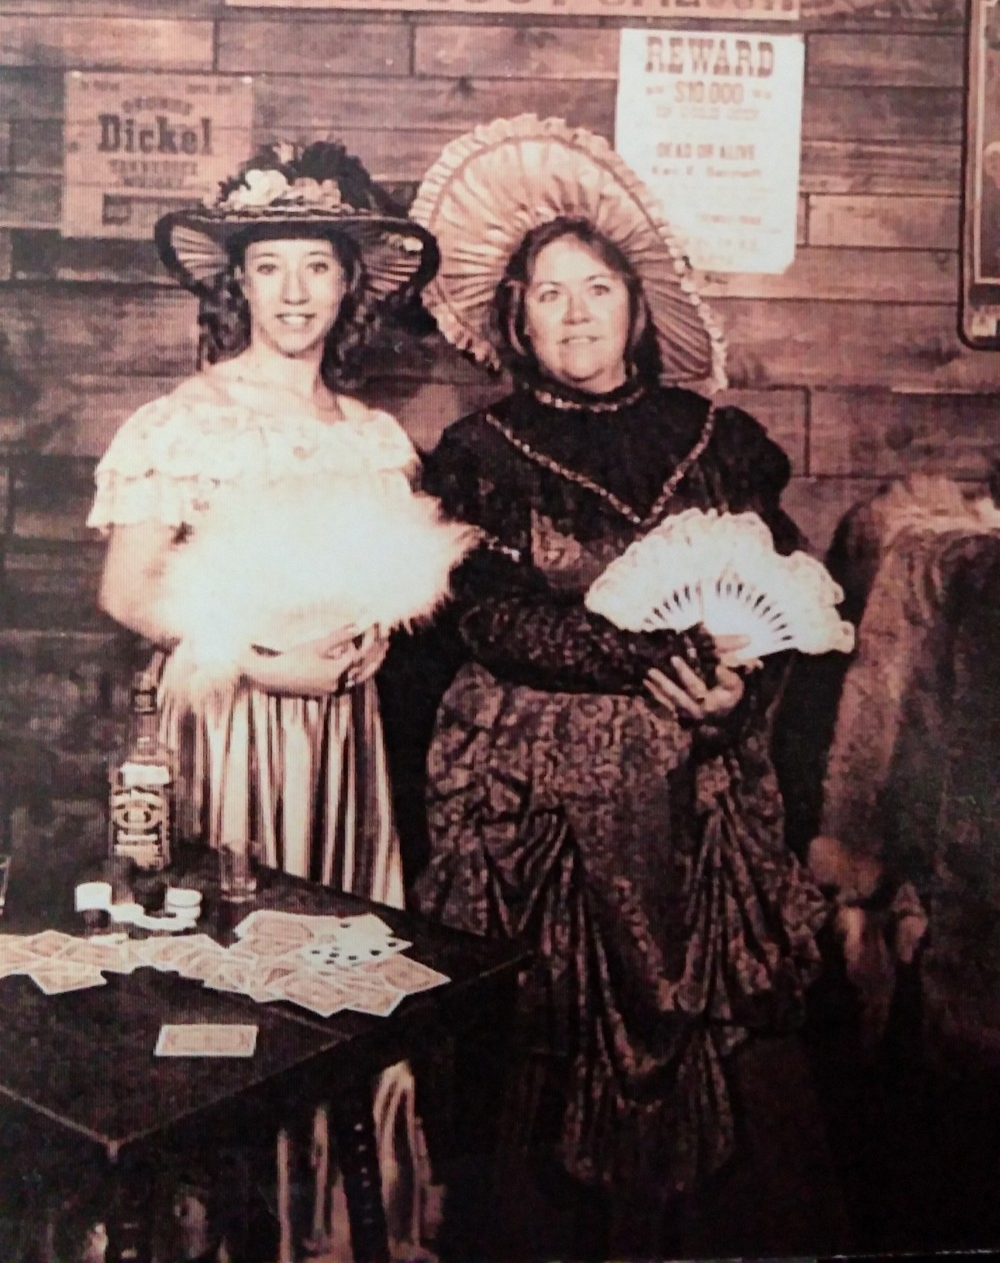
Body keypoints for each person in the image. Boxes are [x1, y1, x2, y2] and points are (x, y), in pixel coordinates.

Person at [404, 115, 845, 1258]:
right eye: (547, 293)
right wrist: (634, 656)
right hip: (531, 772)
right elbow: (484, 614)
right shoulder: (482, 450)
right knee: (528, 1032)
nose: (574, 313)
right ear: (517, 315)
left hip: (691, 773)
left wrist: (730, 698)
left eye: (594, 288)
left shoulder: (716, 438)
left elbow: (778, 599)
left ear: (635, 305)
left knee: (700, 1039)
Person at [88, 140, 453, 1263]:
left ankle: (335, 1223)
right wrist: (262, 659)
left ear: (350, 284)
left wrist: (363, 648)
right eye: (270, 267)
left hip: (339, 740)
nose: (294, 292)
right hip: (228, 719)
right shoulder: (180, 423)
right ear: (235, 283)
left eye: (318, 267)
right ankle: (225, 1235)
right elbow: (129, 588)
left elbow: (388, 579)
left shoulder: (375, 438)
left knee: (337, 972)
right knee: (226, 967)